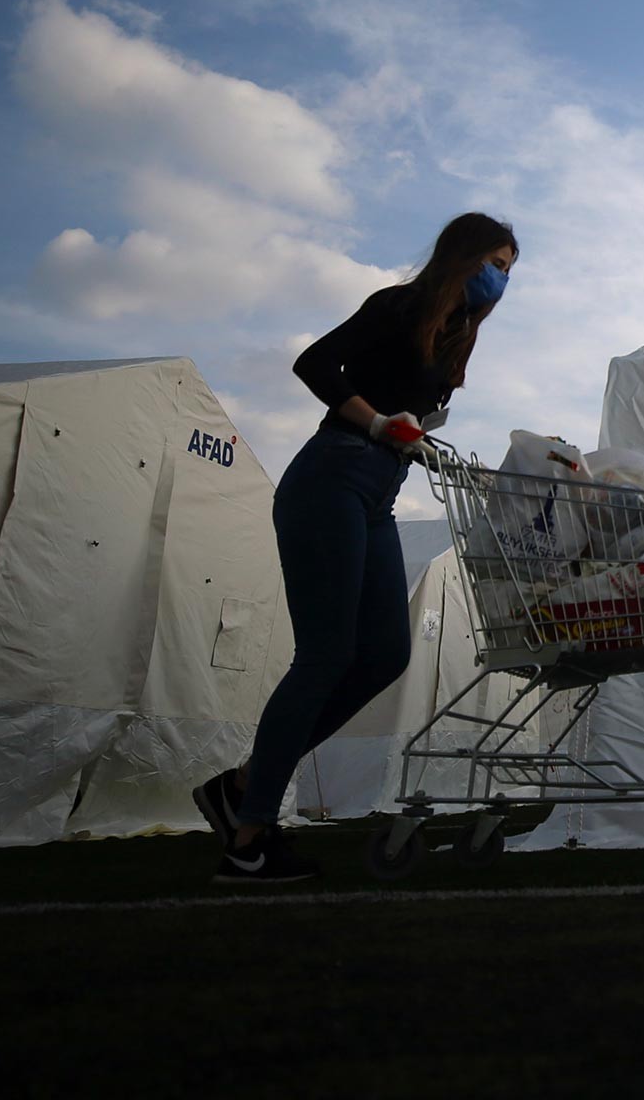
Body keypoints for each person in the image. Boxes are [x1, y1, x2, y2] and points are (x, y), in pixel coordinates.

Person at [192, 212, 519, 883]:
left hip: (377, 495)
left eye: (509, 271)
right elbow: (315, 363)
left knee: (386, 654)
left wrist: (440, 457)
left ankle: (244, 785)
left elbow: (407, 424)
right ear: (462, 256)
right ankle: (248, 840)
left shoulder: (450, 339)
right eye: (496, 262)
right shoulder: (399, 306)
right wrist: (375, 421)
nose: (500, 280)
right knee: (326, 656)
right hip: (331, 477)